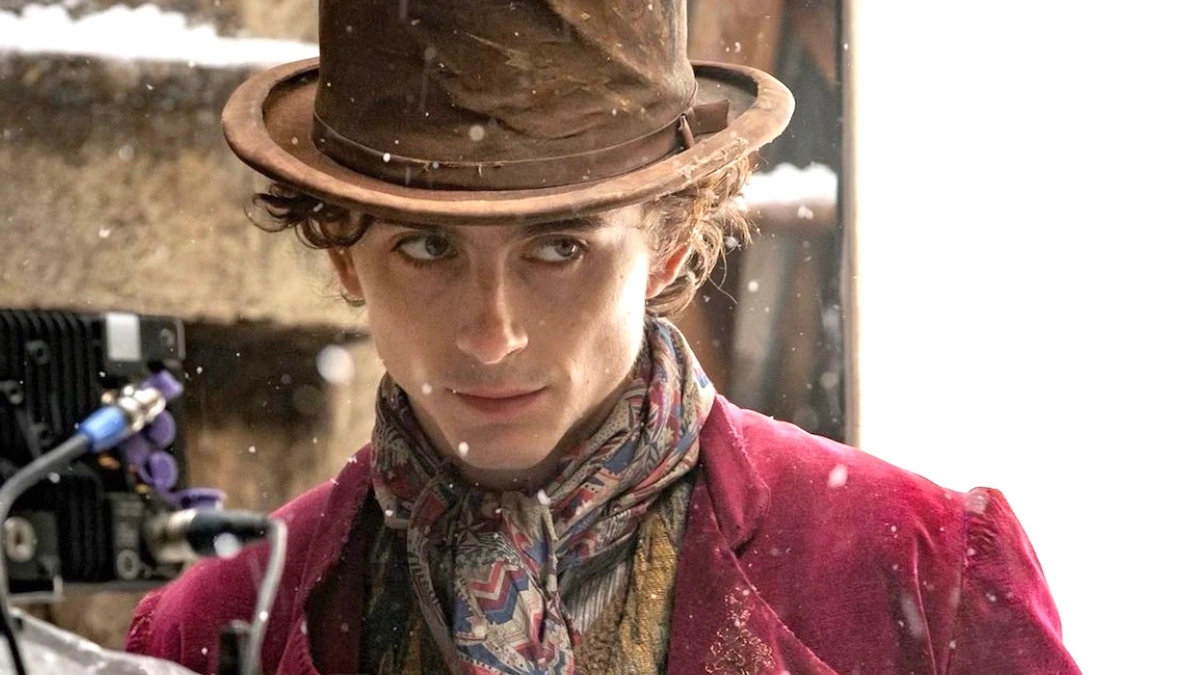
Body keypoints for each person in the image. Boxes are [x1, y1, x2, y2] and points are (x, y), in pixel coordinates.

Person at [125, 1, 1081, 673]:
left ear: (669, 242)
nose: (492, 334)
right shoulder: (215, 625)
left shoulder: (922, 572)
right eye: (427, 246)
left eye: (559, 247)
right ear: (343, 251)